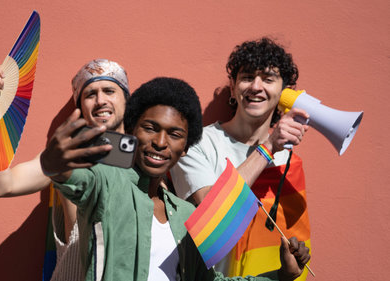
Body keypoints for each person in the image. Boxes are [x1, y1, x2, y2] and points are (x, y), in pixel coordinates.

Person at [40, 77, 310, 281]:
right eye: (150, 128)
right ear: (132, 131)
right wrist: (53, 162)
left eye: (174, 134)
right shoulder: (107, 181)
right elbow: (69, 177)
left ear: (186, 147)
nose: (160, 142)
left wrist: (281, 276)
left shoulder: (185, 215)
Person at [170, 38, 312, 279]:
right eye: (247, 77)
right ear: (233, 87)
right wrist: (269, 147)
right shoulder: (197, 144)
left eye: (268, 79)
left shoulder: (288, 161)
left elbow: (296, 243)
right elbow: (213, 214)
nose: (256, 86)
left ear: (284, 93)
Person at [0, 59, 130, 280]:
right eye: (90, 94)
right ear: (80, 106)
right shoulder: (64, 156)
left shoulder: (151, 156)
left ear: (126, 99)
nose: (100, 101)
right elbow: (1, 185)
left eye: (109, 90)